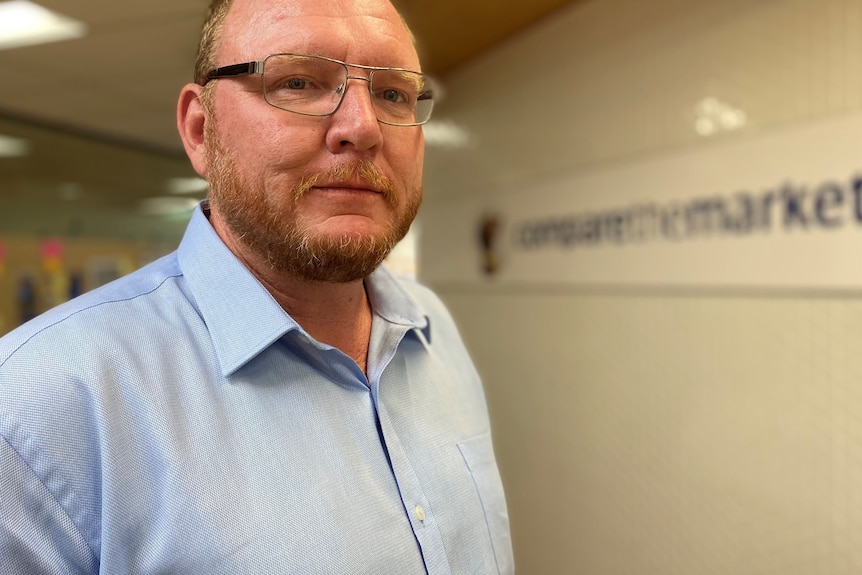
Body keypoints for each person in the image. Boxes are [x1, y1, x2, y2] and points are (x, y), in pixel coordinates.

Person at [0, 0, 514, 573]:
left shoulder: (431, 325)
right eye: (299, 82)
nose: (364, 127)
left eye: (393, 93)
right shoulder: (36, 408)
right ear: (201, 131)